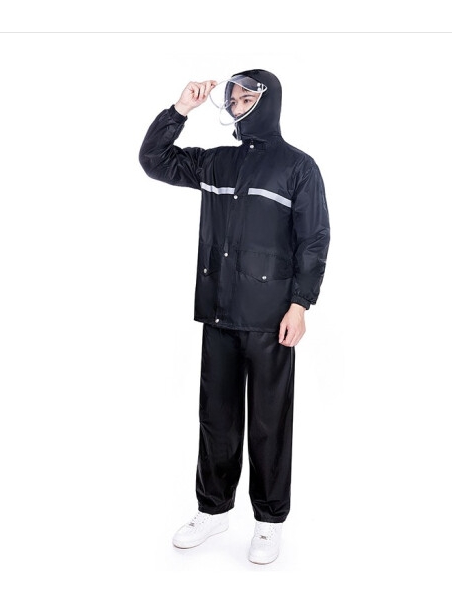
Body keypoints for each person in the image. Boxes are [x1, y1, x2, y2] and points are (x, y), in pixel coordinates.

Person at [138, 69, 330, 565]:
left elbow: (314, 239)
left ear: (267, 102)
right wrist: (180, 110)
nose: (237, 104)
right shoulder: (217, 162)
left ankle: (269, 521)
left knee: (269, 424)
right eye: (234, 98)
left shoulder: (298, 167)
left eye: (246, 98)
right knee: (216, 420)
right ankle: (213, 510)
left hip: (271, 320)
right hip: (219, 314)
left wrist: (300, 304)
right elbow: (154, 160)